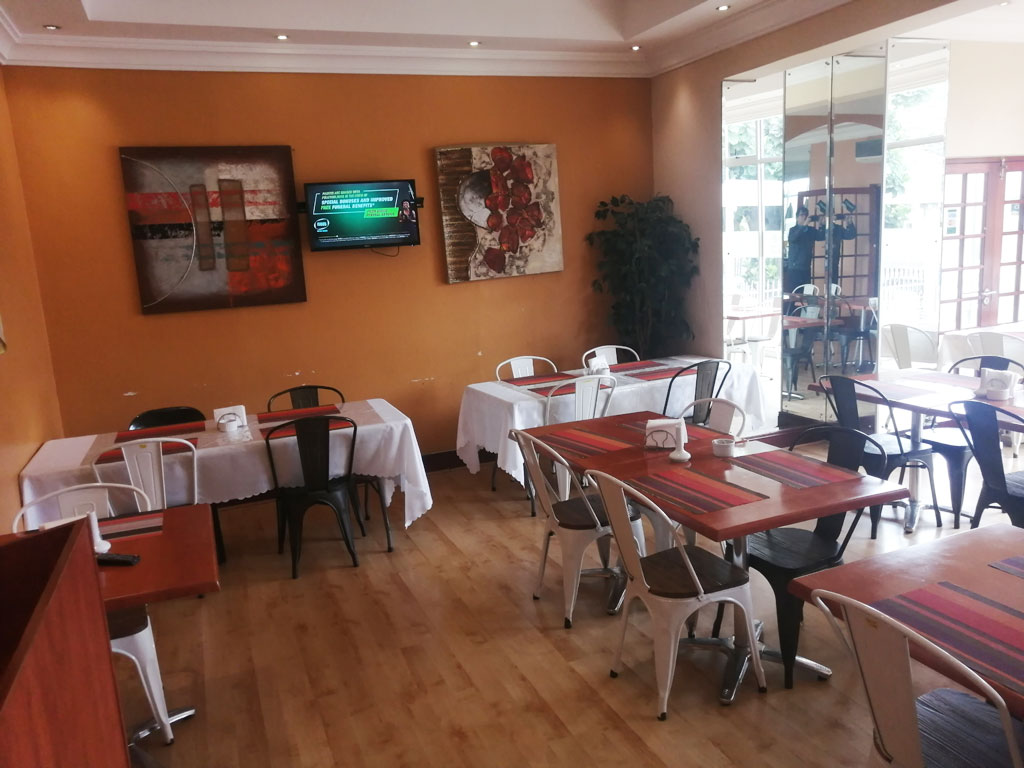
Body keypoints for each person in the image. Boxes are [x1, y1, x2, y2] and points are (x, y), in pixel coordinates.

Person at [784, 205, 857, 292]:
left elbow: (821, 236)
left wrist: (822, 224)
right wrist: (805, 224)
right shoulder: (793, 230)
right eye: (802, 215)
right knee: (794, 293)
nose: (804, 217)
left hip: (809, 267)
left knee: (806, 293)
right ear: (797, 217)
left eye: (806, 215)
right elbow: (793, 238)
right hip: (794, 268)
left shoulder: (811, 230)